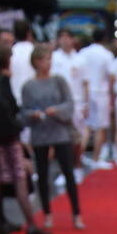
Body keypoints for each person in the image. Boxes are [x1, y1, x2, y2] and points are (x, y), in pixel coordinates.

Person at [0, 43, 48, 234]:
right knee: (20, 177)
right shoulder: (3, 82)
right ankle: (31, 223)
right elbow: (12, 109)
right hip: (9, 138)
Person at [19, 45, 84, 231]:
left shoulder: (59, 81)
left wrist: (57, 111)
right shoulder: (28, 86)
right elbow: (24, 112)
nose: (48, 63)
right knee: (43, 176)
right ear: (36, 62)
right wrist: (34, 115)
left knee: (68, 173)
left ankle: (76, 213)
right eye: (45, 59)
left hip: (60, 132)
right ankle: (47, 213)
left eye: (49, 59)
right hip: (40, 134)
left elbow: (69, 104)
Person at [50, 28, 87, 178]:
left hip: (77, 102)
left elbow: (85, 83)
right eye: (62, 37)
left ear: (73, 40)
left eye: (67, 37)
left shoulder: (80, 59)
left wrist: (85, 104)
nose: (65, 40)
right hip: (58, 104)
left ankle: (77, 167)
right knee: (60, 139)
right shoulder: (53, 58)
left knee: (76, 138)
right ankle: (64, 170)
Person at [78, 26, 115, 169]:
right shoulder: (106, 54)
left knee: (86, 126)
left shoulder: (83, 52)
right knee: (99, 128)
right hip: (100, 93)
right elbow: (112, 76)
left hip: (86, 92)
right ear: (104, 38)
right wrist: (111, 93)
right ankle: (95, 159)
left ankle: (79, 157)